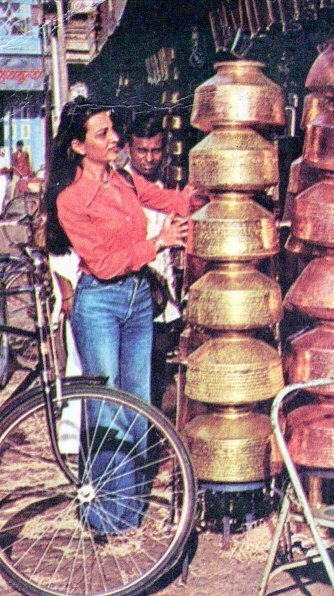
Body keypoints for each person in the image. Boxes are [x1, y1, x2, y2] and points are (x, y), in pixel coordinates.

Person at [45, 97, 191, 534]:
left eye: (112, 131)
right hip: (100, 303)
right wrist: (159, 243)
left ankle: (128, 509)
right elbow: (105, 263)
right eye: (102, 134)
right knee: (106, 407)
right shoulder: (71, 199)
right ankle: (103, 513)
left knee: (138, 404)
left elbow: (166, 198)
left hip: (137, 301)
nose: (114, 140)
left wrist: (200, 194)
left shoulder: (123, 179)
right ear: (77, 145)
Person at [126, 111, 182, 406]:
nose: (149, 158)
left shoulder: (166, 189)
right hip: (133, 300)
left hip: (163, 305)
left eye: (156, 150)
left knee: (156, 381)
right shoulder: (121, 187)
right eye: (142, 151)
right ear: (128, 149)